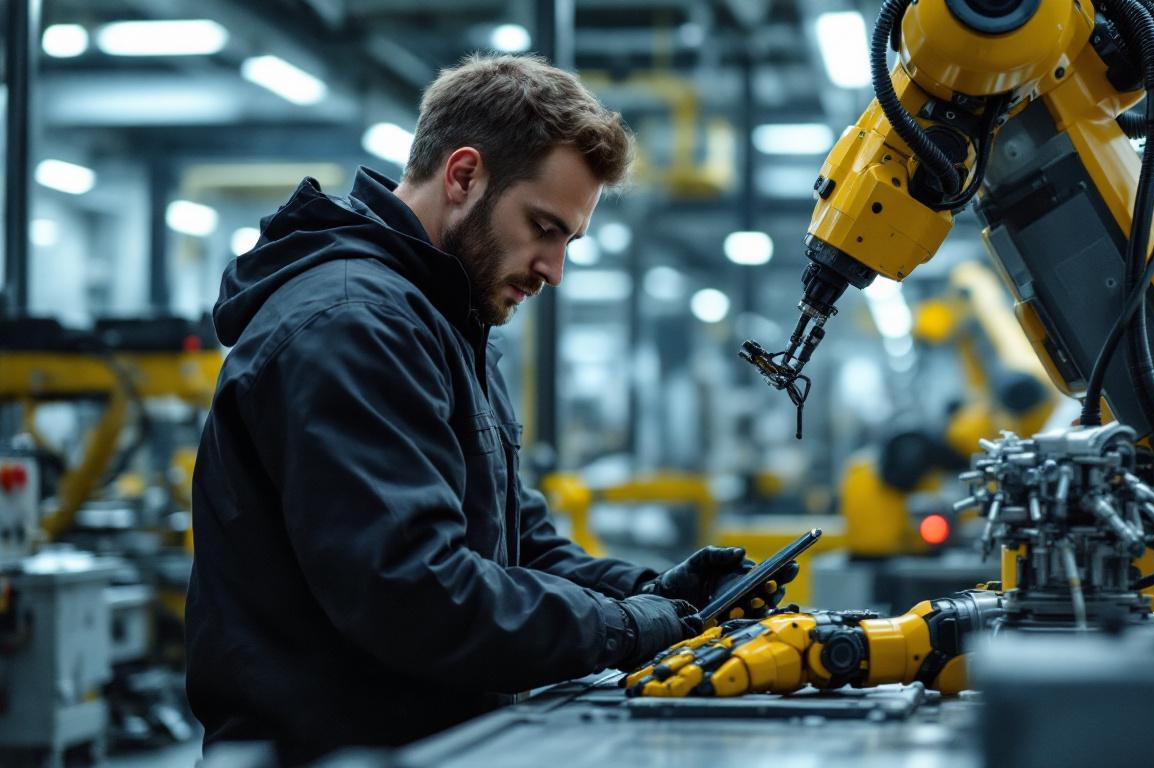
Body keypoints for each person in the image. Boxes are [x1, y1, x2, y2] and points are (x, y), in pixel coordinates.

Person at [185, 54, 795, 764]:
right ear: (464, 176)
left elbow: (517, 547)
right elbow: (414, 591)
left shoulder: (445, 322)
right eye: (543, 227)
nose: (554, 270)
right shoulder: (353, 325)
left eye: (567, 241)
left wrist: (656, 592)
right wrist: (625, 628)